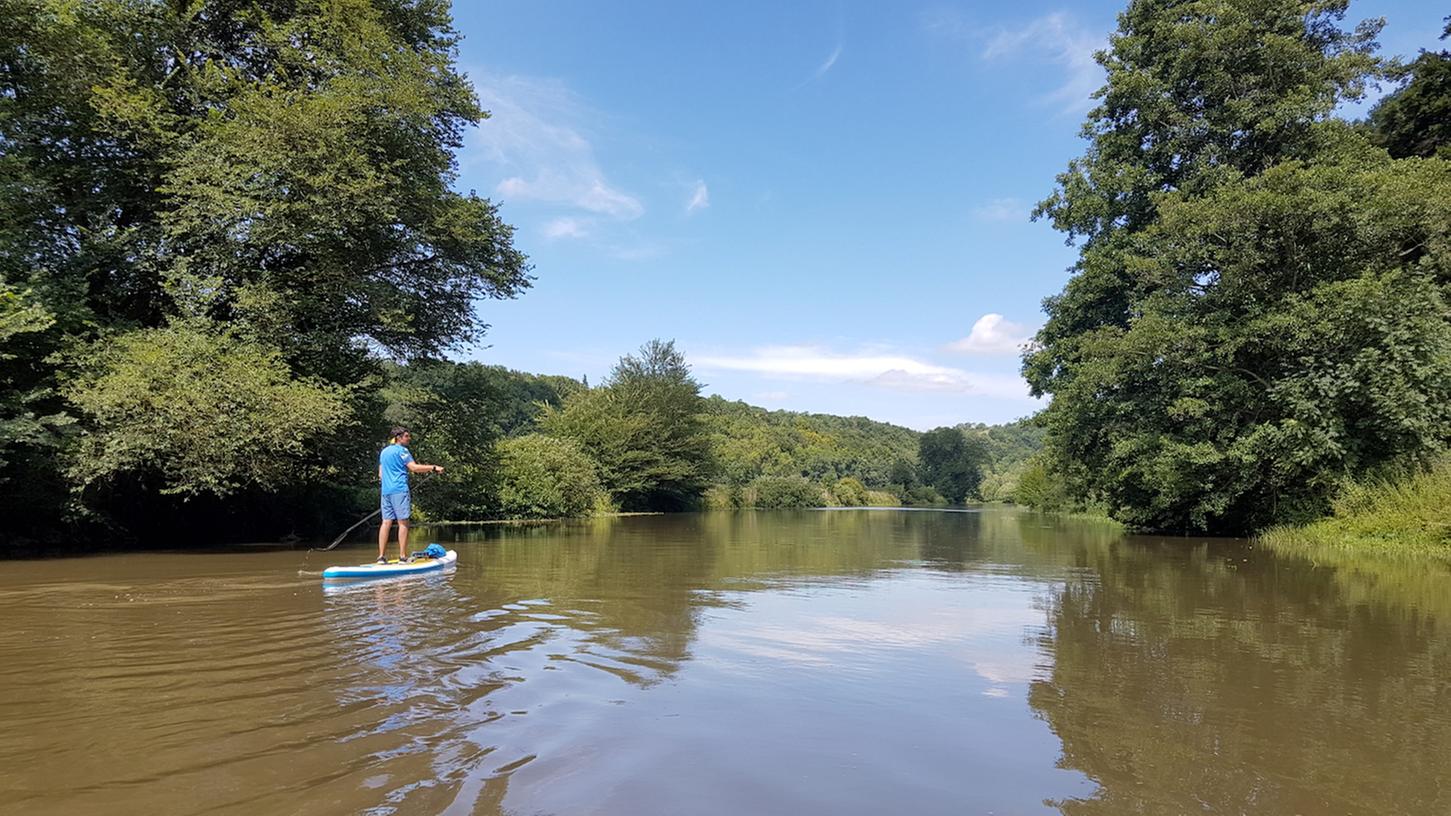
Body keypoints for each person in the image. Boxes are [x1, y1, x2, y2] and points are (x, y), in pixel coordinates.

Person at [378, 426, 443, 562]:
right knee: (403, 523)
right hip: (399, 490)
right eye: (407, 436)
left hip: (385, 491)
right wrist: (433, 467)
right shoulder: (403, 451)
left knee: (386, 523)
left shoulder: (384, 452)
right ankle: (402, 556)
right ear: (399, 438)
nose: (409, 438)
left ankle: (381, 557)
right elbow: (414, 468)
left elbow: (380, 474)